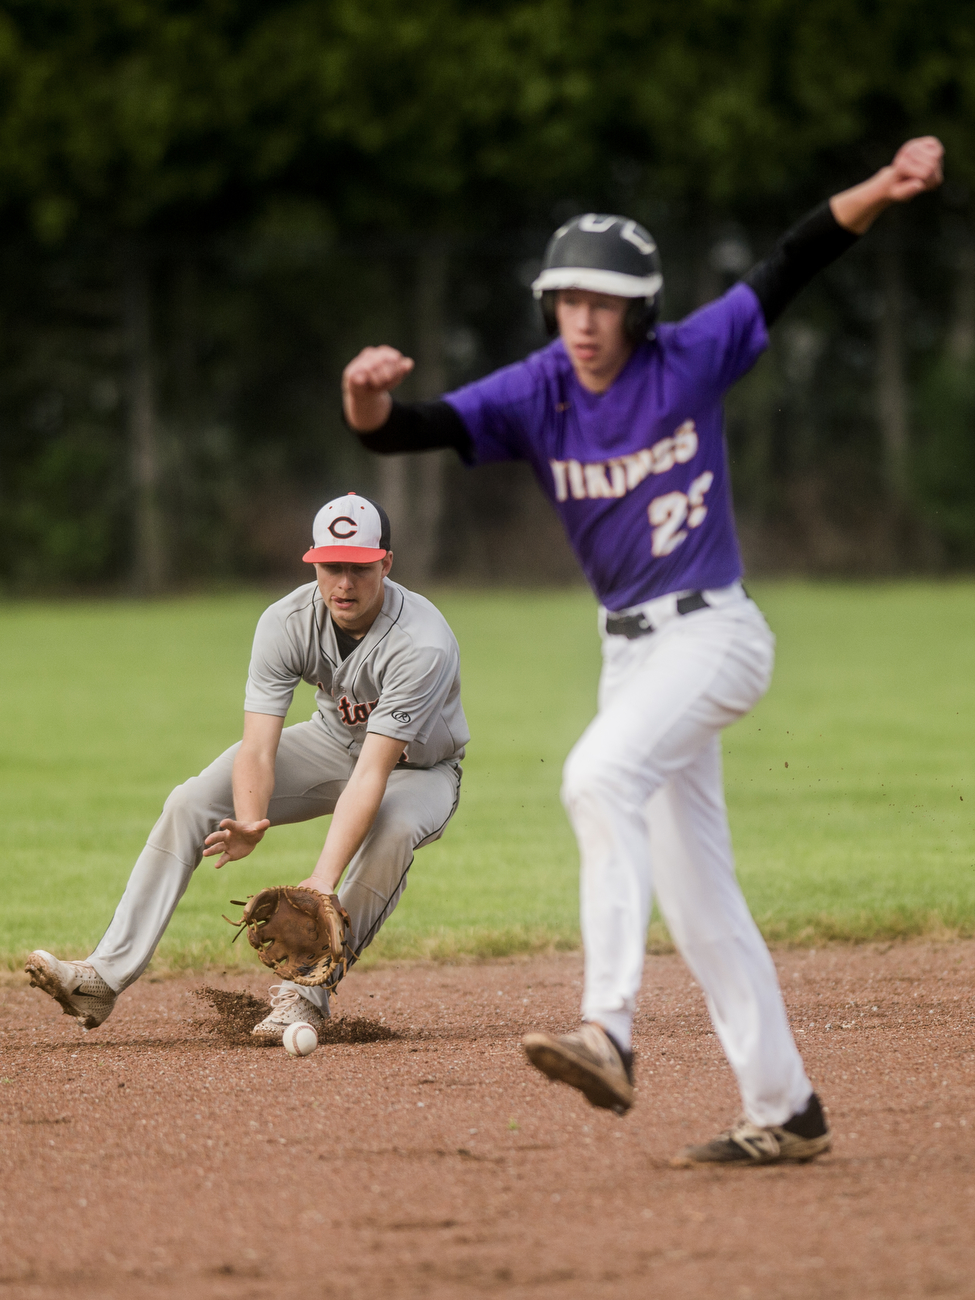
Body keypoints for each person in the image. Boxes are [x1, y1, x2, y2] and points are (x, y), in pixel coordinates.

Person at [339, 138, 944, 1166]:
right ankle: (786, 1106)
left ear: (641, 311)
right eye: (568, 298)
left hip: (715, 633)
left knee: (595, 775)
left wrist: (885, 187)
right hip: (632, 658)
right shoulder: (540, 391)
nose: (583, 318)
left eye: (605, 301)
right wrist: (366, 398)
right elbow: (412, 430)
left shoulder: (690, 357)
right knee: (701, 899)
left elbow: (796, 259)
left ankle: (608, 1030)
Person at [25, 493, 468, 1041]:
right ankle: (103, 976)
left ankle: (306, 995)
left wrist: (321, 883)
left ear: (387, 563)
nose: (344, 584)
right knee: (190, 801)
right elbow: (258, 747)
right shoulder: (286, 621)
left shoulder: (421, 642)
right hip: (332, 744)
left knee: (393, 827)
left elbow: (374, 773)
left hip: (419, 770)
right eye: (332, 567)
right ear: (313, 560)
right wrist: (252, 818)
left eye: (359, 567)